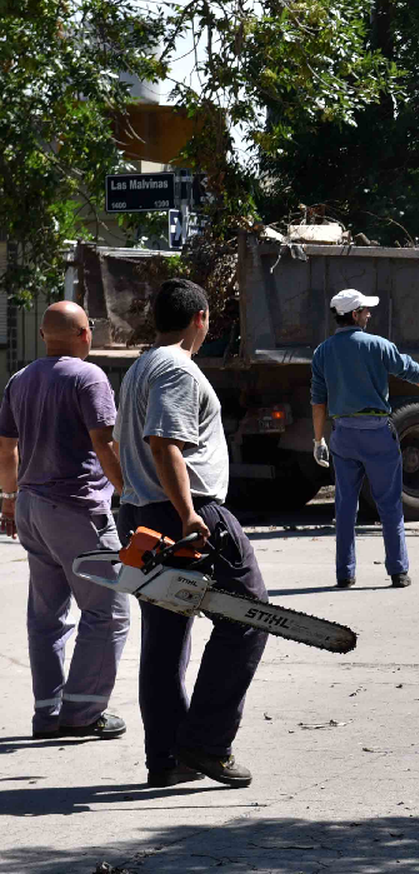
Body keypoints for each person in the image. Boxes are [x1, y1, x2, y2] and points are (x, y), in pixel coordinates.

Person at [116, 278, 266, 789]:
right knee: (250, 615)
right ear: (200, 318)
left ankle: (167, 757)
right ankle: (206, 742)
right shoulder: (178, 368)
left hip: (144, 511)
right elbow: (163, 443)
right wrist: (187, 514)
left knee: (165, 636)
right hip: (189, 513)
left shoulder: (139, 367)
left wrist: (133, 499)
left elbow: (127, 449)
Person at [0, 301, 131, 741]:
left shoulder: (20, 379)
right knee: (109, 611)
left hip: (31, 508)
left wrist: (7, 501)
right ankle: (83, 711)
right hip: (76, 509)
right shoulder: (87, 376)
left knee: (47, 615)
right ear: (84, 335)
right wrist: (128, 492)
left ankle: (47, 712)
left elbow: (6, 451)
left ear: (42, 336)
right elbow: (104, 443)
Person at [310, 289, 419, 590]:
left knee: (345, 506)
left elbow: (318, 400)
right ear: (354, 315)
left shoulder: (322, 352)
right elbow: (413, 373)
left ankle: (345, 574)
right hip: (378, 433)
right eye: (365, 310)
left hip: (343, 436)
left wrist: (318, 440)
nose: (369, 314)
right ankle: (398, 572)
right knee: (389, 504)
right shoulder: (378, 346)